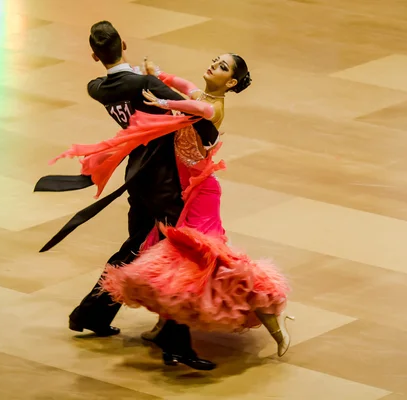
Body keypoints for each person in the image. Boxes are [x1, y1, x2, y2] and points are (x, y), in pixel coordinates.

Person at [34, 20, 215, 370]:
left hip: (137, 173)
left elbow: (111, 81)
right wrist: (208, 136)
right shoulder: (144, 83)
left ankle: (92, 313)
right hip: (162, 175)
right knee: (180, 251)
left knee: (134, 246)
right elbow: (196, 116)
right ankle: (175, 341)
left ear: (94, 55)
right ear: (125, 44)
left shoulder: (98, 87)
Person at [97, 54, 294, 357]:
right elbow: (184, 85)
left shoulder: (213, 107)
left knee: (216, 262)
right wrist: (158, 74)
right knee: (177, 259)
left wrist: (164, 103)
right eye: (216, 60)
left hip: (203, 192)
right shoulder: (200, 94)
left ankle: (276, 327)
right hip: (186, 189)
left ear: (230, 83)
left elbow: (197, 108)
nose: (214, 65)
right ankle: (165, 326)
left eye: (223, 67)